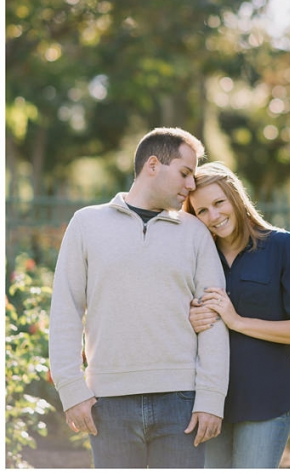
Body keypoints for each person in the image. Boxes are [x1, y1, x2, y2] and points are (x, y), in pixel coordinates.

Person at [48, 127, 230, 468]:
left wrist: (210, 397)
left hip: (182, 404)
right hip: (108, 403)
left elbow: (213, 318)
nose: (191, 186)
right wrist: (72, 389)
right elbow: (65, 311)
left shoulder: (195, 234)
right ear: (153, 165)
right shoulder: (86, 224)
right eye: (185, 173)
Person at [185, 162, 290, 468]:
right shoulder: (194, 255)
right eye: (202, 211)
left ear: (235, 198)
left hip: (266, 400)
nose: (214, 216)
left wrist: (237, 321)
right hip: (207, 402)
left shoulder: (280, 246)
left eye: (219, 203)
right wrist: (189, 321)